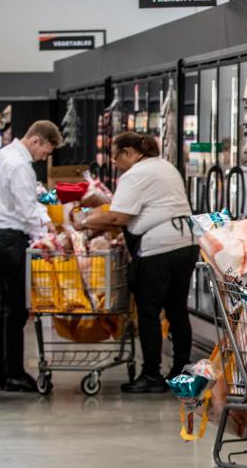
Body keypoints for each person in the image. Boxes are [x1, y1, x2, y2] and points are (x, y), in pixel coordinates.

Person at [82, 132, 197, 393]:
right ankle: (181, 370)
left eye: (116, 157)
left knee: (148, 312)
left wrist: (83, 223)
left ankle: (151, 374)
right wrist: (104, 203)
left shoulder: (134, 174)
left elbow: (117, 218)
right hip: (186, 244)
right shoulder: (166, 167)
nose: (115, 162)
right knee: (177, 310)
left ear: (130, 153)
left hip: (158, 249)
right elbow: (143, 205)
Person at [0, 120, 62, 392]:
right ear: (36, 140)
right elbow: (26, 208)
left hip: (2, 233)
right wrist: (48, 231)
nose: (45, 156)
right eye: (46, 150)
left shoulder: (2, 155)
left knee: (5, 308)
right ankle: (13, 373)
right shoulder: (20, 165)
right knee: (16, 309)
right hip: (14, 238)